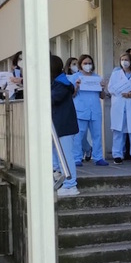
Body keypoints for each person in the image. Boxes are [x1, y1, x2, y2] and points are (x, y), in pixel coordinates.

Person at [71, 55, 108, 166]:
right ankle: (77, 158)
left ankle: (98, 157)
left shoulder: (97, 77)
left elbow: (102, 96)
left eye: (89, 63)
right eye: (85, 63)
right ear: (80, 65)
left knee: (97, 135)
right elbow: (72, 95)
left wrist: (103, 87)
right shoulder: (75, 77)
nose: (88, 65)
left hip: (95, 110)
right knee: (78, 136)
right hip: (81, 110)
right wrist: (76, 86)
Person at [51, 55, 80, 197]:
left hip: (64, 125)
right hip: (58, 125)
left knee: (66, 155)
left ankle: (70, 185)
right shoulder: (57, 82)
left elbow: (51, 99)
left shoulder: (61, 84)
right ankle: (60, 178)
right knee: (56, 154)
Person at [108, 53, 131, 164]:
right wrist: (122, 92)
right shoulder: (116, 74)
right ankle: (117, 154)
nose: (124, 62)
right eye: (122, 59)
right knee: (118, 130)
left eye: (126, 59)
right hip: (119, 103)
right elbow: (111, 88)